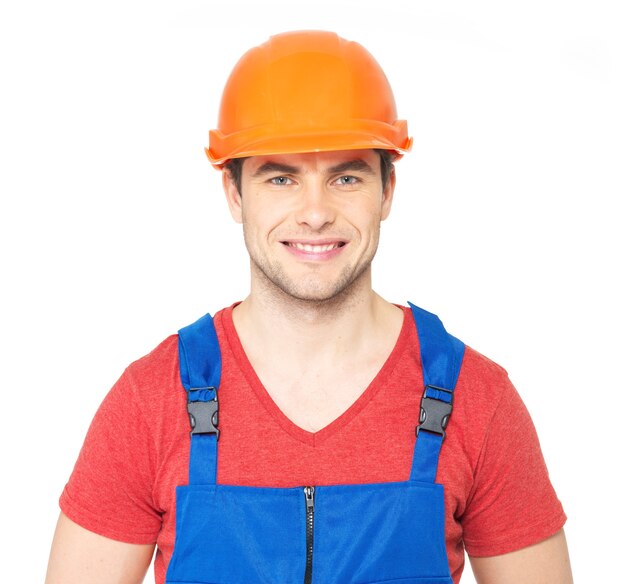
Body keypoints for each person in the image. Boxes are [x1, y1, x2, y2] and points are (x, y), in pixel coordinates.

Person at [45, 30, 573, 584]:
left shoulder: (477, 401)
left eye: (346, 177)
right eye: (281, 177)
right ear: (234, 194)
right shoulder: (150, 401)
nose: (315, 213)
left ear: (387, 191)